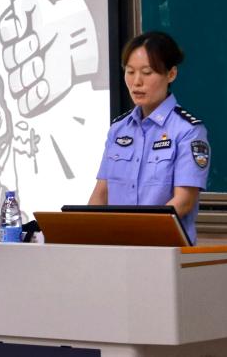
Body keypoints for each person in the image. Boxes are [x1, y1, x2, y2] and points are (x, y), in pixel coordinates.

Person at [88, 31, 210, 244]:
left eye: (147, 72)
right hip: (117, 249)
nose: (136, 82)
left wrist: (137, 235)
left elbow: (183, 201)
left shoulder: (188, 131)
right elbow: (101, 194)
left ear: (171, 74)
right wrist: (84, 235)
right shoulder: (118, 129)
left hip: (164, 250)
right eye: (130, 72)